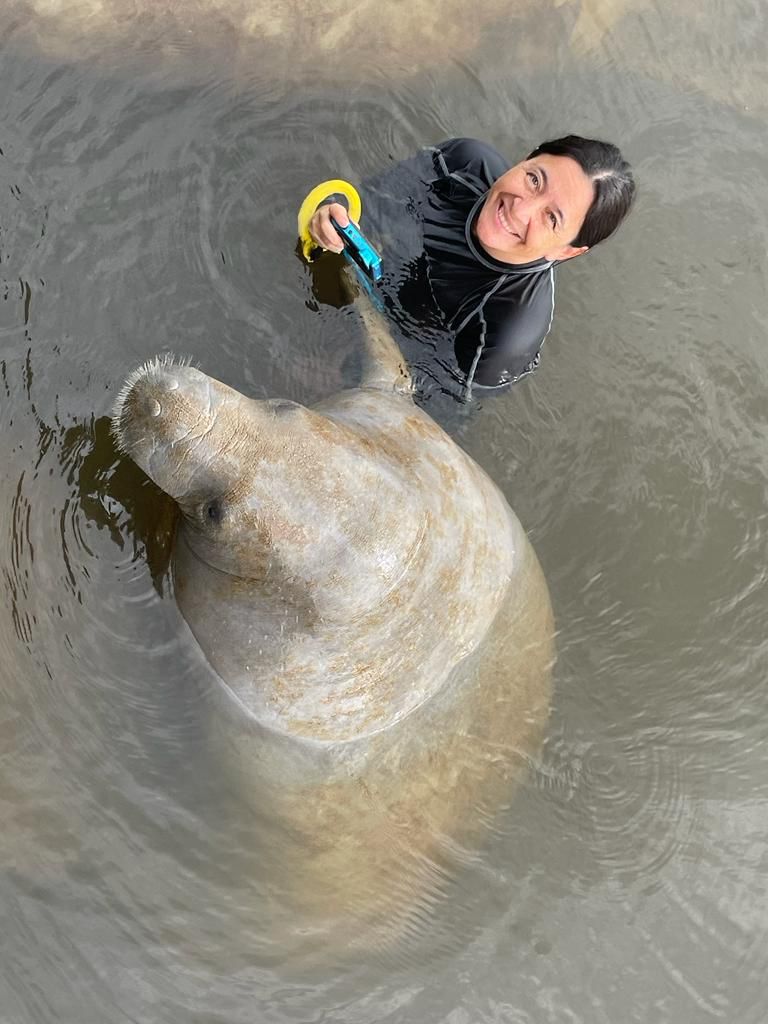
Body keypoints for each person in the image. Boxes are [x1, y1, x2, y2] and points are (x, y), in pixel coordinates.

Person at [307, 136, 635, 395]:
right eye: (534, 179)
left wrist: (346, 370)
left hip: (422, 340)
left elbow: (435, 405)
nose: (520, 210)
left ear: (568, 251)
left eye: (551, 218)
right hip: (385, 274)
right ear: (526, 159)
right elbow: (375, 202)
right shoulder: (465, 162)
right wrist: (333, 219)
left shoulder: (509, 329)